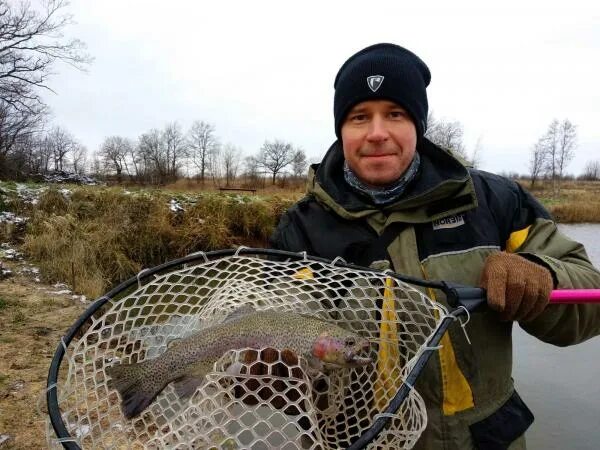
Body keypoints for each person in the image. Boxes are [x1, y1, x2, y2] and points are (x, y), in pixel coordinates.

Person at [269, 43, 600, 449]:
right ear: (341, 129)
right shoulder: (299, 229)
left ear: (418, 125)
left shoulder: (496, 200)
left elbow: (589, 298)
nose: (376, 133)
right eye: (359, 117)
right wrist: (267, 377)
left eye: (395, 114)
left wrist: (541, 275)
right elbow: (279, 354)